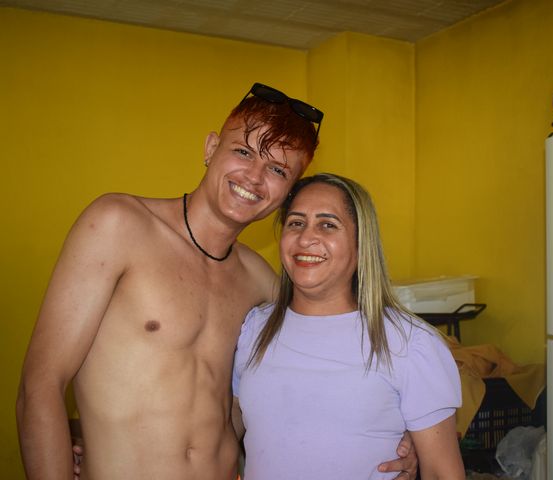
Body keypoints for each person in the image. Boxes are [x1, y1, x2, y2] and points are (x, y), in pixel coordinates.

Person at [16, 83, 417, 480]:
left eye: (277, 170)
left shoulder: (261, 281)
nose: (254, 177)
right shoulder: (118, 225)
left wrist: (413, 430)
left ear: (288, 192)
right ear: (211, 149)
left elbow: (354, 348)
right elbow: (40, 386)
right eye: (243, 152)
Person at [232, 173, 465, 479]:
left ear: (360, 242)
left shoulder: (409, 342)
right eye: (296, 223)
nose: (306, 238)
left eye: (327, 224)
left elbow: (442, 473)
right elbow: (225, 433)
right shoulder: (254, 330)